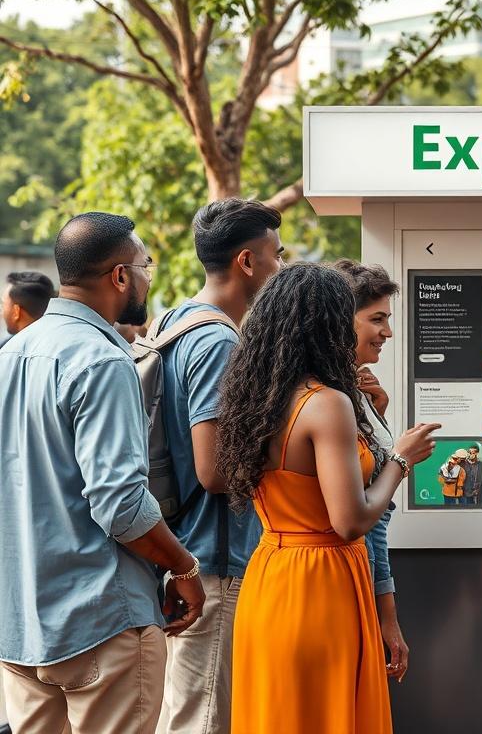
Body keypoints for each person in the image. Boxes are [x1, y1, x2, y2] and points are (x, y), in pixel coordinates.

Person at [0, 212, 205, 734]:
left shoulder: (11, 354)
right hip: (102, 622)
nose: (146, 277)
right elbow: (120, 506)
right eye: (145, 266)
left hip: (21, 623)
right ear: (120, 276)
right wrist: (183, 568)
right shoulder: (102, 359)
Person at [220, 263, 438, 733]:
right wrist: (400, 459)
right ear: (329, 324)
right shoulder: (327, 403)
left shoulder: (260, 397)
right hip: (322, 584)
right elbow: (350, 520)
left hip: (270, 579)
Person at [156, 199, 284, 734]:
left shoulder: (177, 321)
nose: (281, 267)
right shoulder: (219, 341)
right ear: (248, 262)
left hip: (187, 544)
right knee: (203, 716)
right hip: (216, 557)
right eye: (277, 255)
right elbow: (212, 469)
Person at [333, 258, 410, 681]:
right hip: (336, 585)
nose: (388, 332)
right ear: (339, 321)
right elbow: (363, 519)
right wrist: (397, 457)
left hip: (357, 579)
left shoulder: (356, 395)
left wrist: (376, 417)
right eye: (376, 318)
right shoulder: (329, 401)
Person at [1, 271, 55, 344]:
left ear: (16, 312)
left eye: (3, 304)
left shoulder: (8, 349)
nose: (1, 311)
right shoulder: (56, 342)